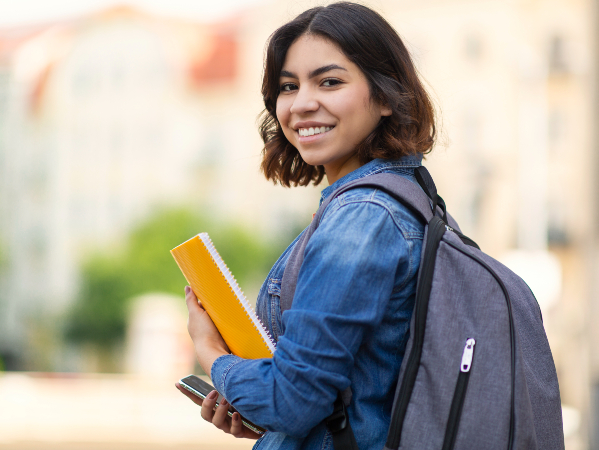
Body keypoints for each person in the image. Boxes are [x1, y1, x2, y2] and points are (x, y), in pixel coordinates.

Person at [176, 3, 436, 449]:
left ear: (387, 96)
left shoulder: (363, 217)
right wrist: (256, 409)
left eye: (329, 82)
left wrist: (211, 353)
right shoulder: (401, 201)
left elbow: (292, 400)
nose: (302, 104)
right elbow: (336, 397)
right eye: (288, 86)